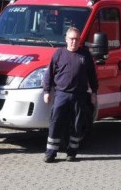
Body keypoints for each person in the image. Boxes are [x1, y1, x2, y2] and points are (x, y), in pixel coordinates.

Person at [42, 27, 98, 163]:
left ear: (80, 40)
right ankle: (51, 153)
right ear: (66, 39)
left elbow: (92, 76)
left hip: (79, 95)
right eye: (71, 39)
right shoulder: (59, 54)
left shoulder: (85, 56)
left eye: (76, 39)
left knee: (77, 124)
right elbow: (49, 74)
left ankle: (72, 152)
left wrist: (94, 92)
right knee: (56, 122)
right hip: (61, 94)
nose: (74, 42)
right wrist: (47, 91)